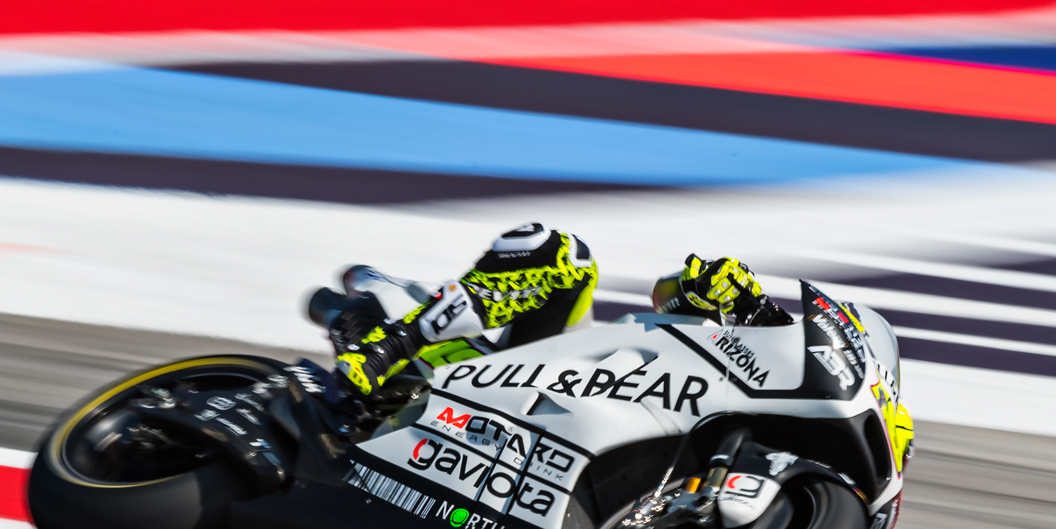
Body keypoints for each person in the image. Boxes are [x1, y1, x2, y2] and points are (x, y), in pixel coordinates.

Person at [324, 222, 795, 398]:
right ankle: (390, 345)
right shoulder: (750, 349)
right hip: (565, 376)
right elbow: (664, 298)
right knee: (567, 255)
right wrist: (744, 302)